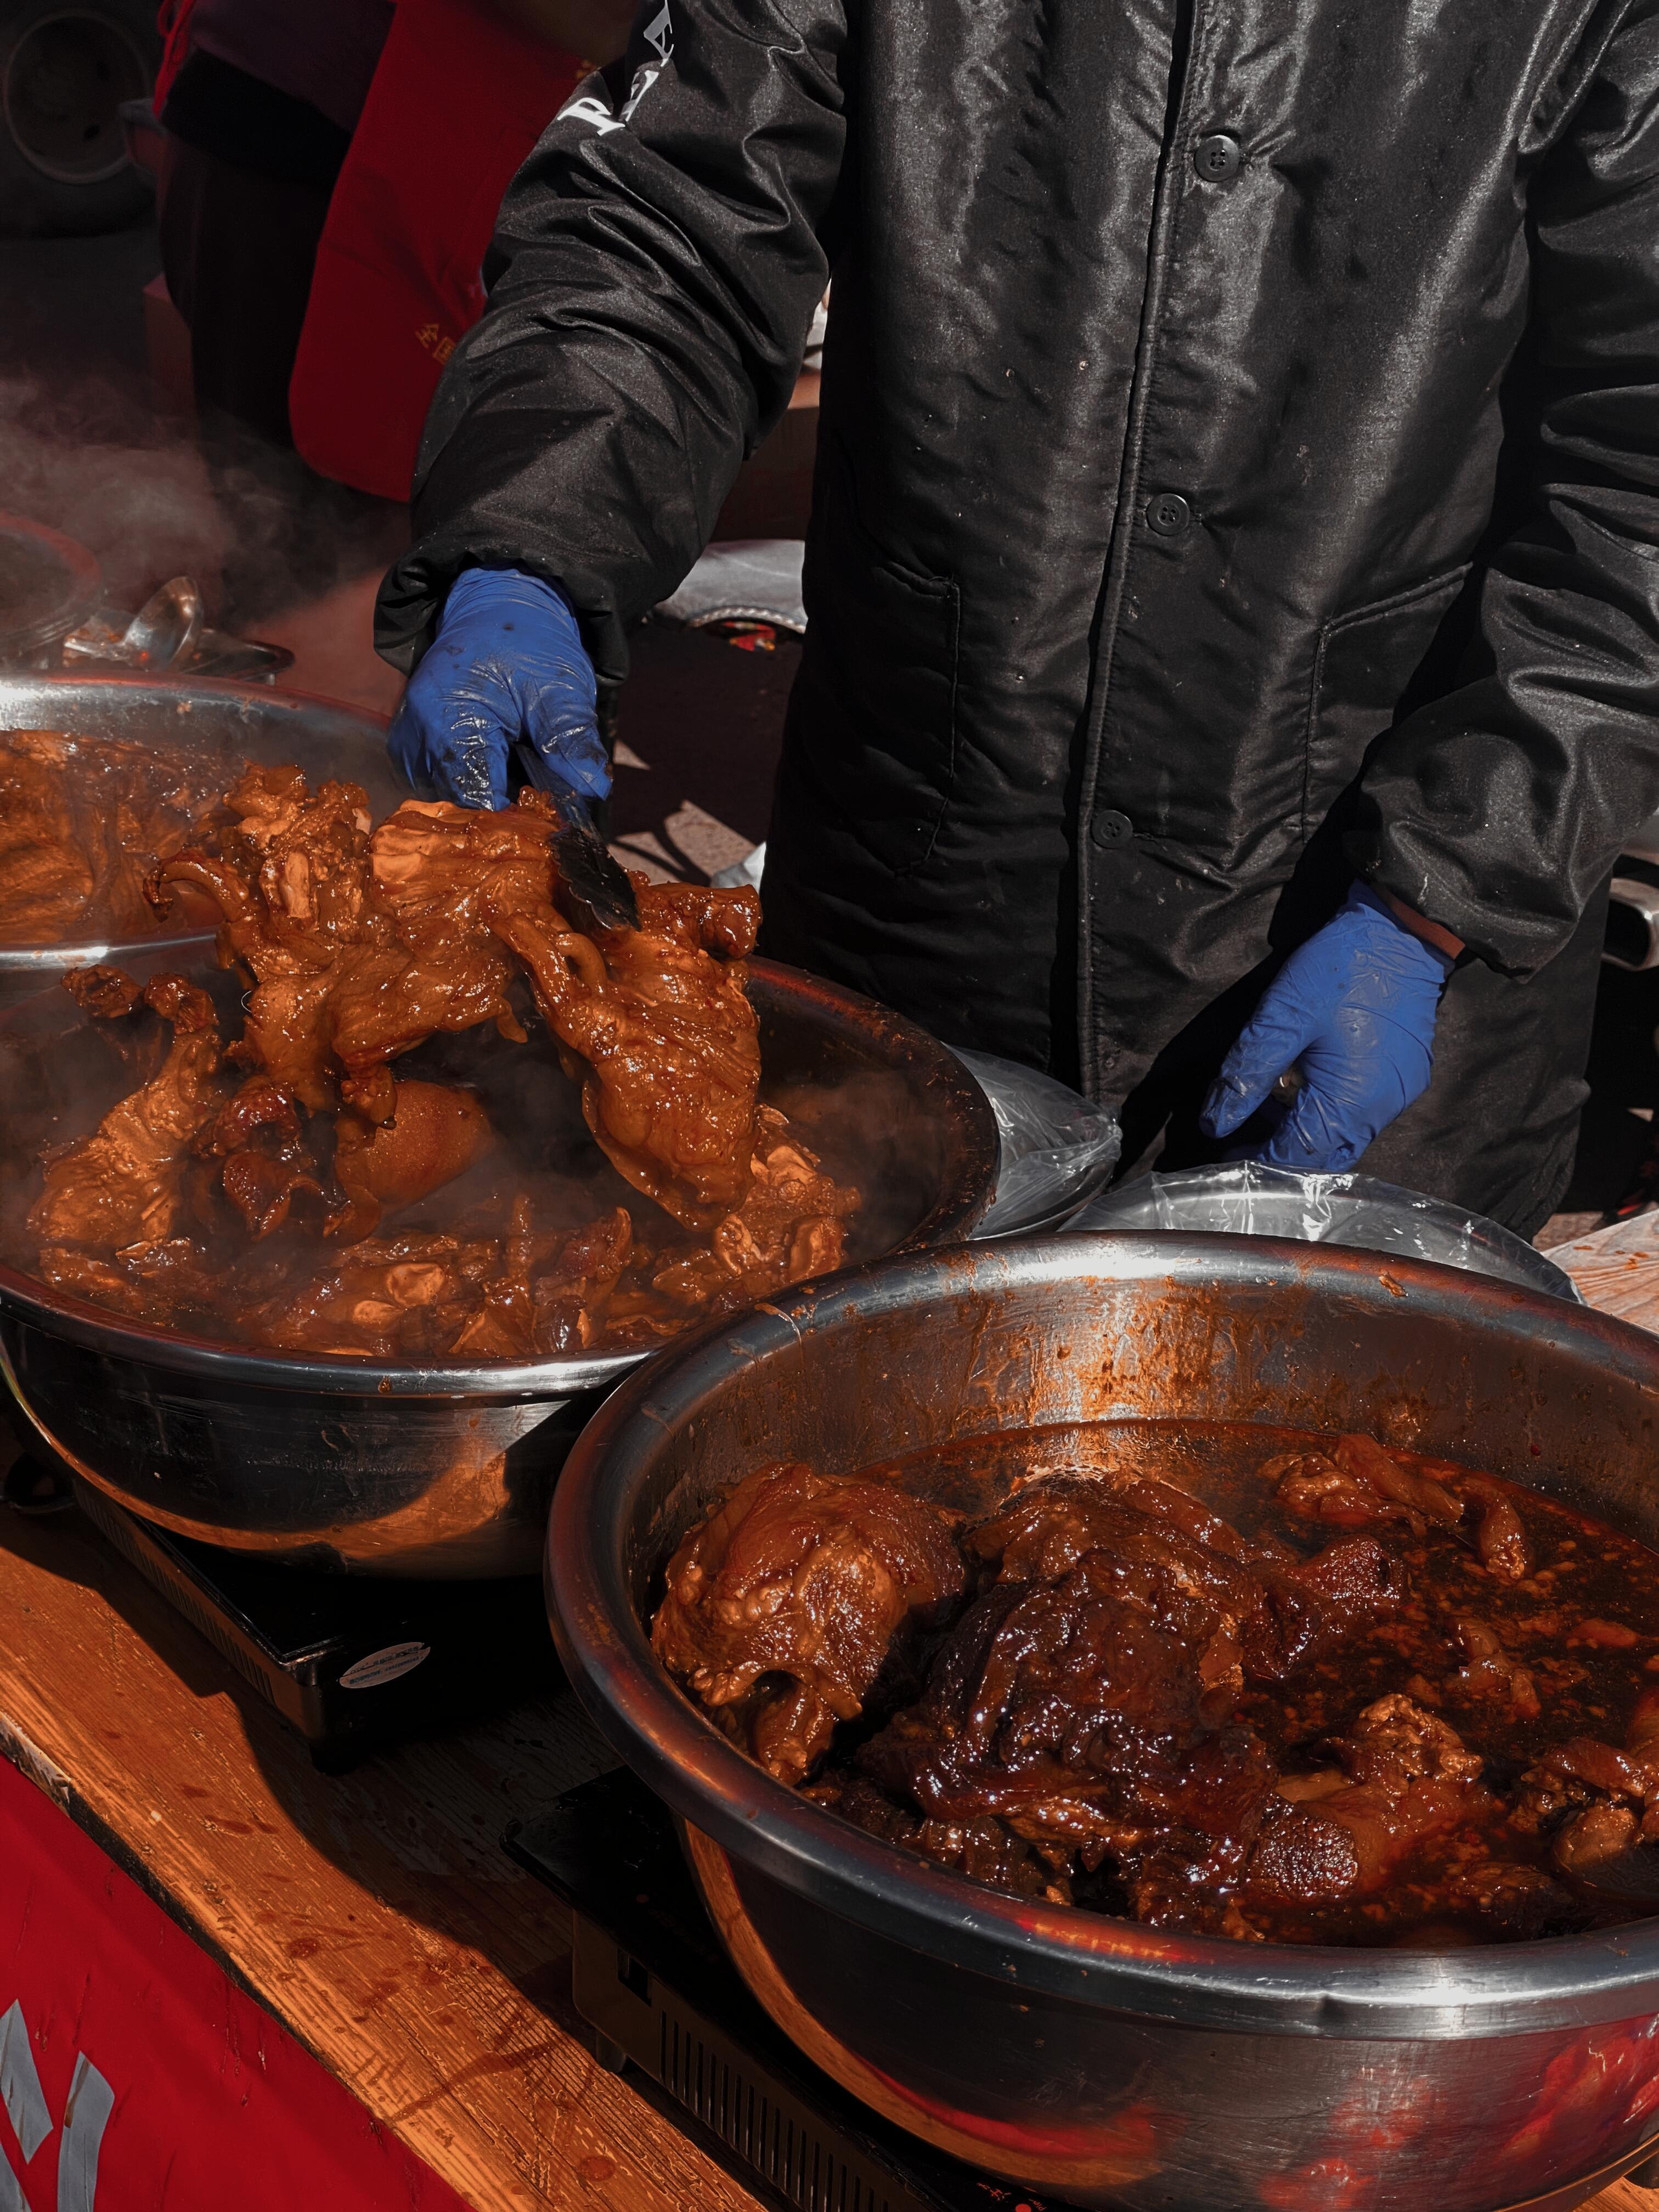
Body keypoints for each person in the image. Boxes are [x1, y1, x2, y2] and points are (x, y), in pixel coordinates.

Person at [374, 2, 1659, 1234]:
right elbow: (670, 230)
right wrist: (533, 539)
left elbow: (1638, 477)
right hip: (925, 922)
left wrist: (1453, 885)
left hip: (1365, 966)